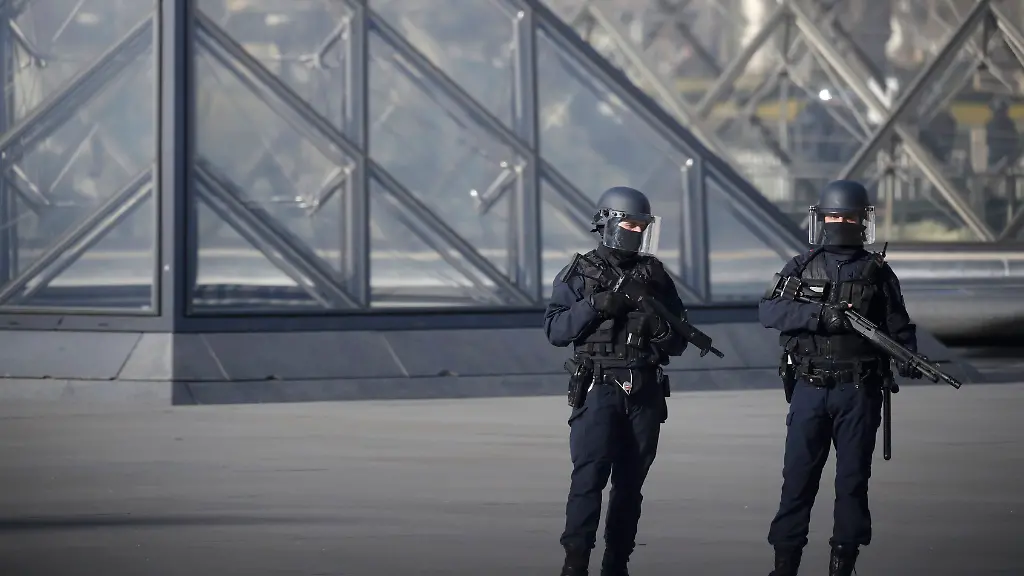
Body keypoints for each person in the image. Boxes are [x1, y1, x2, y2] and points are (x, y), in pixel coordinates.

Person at [758, 180, 923, 576]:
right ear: (821, 219)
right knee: (797, 481)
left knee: (851, 483)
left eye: (848, 217)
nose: (841, 223)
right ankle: (785, 565)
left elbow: (898, 327)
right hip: (809, 387)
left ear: (862, 221)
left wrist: (909, 356)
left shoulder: (878, 273)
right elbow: (770, 312)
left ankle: (842, 564)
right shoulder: (800, 267)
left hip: (859, 389)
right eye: (835, 216)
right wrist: (819, 317)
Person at [544, 186, 689, 576]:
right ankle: (575, 562)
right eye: (628, 222)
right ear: (607, 222)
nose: (635, 231)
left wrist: (657, 329)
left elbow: (680, 337)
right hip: (598, 386)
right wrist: (593, 306)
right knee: (588, 478)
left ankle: (616, 562)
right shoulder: (581, 272)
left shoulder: (654, 274)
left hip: (643, 388)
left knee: (630, 485)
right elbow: (556, 329)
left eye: (641, 225)